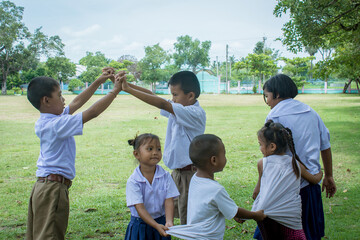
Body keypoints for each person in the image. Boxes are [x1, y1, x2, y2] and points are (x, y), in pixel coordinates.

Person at [26, 68, 125, 240]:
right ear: (46, 100)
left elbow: (78, 101)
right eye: (60, 95)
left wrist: (99, 81)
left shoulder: (48, 120)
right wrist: (115, 91)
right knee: (50, 235)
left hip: (46, 187)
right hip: (53, 189)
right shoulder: (56, 125)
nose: (64, 100)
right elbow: (92, 112)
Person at [118, 71, 206, 224]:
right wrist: (126, 85)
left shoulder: (194, 113)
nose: (172, 99)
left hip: (189, 175)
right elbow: (156, 98)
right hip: (177, 174)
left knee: (189, 221)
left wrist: (129, 90)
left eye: (175, 95)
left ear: (190, 96)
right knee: (169, 214)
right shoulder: (179, 107)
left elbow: (162, 103)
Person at [259, 74, 336, 240]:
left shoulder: (275, 116)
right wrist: (328, 175)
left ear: (276, 94)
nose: (267, 102)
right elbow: (325, 145)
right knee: (308, 234)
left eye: (267, 96)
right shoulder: (311, 112)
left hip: (284, 188)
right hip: (310, 186)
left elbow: (273, 156)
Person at [166, 134, 266, 240]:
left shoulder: (195, 179)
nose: (225, 157)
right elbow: (236, 211)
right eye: (224, 154)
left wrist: (232, 212)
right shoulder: (216, 190)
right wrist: (256, 215)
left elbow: (213, 205)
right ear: (214, 160)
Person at [252, 120, 324, 239]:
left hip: (266, 217)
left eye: (260, 144)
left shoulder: (262, 163)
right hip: (290, 219)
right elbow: (314, 180)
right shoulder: (294, 163)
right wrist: (321, 173)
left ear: (272, 147)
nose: (260, 148)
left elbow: (256, 193)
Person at [125, 133, 180, 240]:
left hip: (161, 222)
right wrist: (155, 226)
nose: (155, 152)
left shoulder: (165, 176)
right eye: (150, 149)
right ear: (137, 154)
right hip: (140, 225)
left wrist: (169, 221)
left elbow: (169, 200)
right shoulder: (133, 181)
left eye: (158, 149)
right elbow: (140, 208)